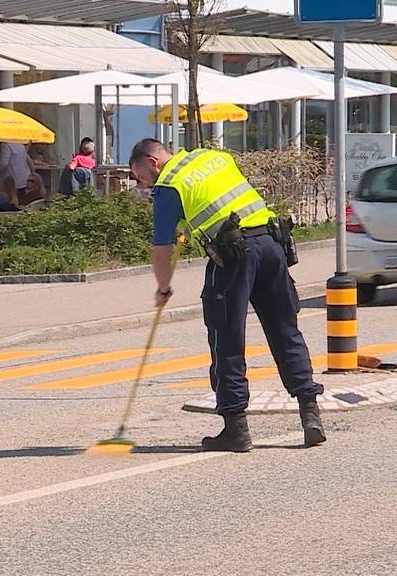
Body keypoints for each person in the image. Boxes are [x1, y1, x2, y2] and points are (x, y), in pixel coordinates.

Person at [128, 138, 326, 452]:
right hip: (271, 244)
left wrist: (163, 288)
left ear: (152, 163)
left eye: (140, 178)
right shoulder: (212, 156)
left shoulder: (169, 186)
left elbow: (161, 249)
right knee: (286, 331)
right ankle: (310, 415)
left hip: (234, 258)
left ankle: (236, 429)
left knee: (227, 340)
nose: (143, 185)